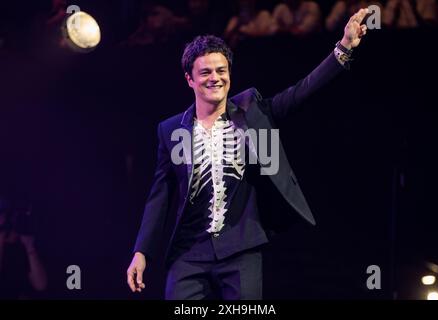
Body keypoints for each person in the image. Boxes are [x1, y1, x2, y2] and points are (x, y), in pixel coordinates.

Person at [127, 8, 370, 300]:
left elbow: (300, 92)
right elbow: (161, 195)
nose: (215, 78)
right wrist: (142, 251)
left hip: (241, 248)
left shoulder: (251, 111)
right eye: (205, 72)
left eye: (221, 71)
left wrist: (342, 49)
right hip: (188, 252)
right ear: (189, 79)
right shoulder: (170, 130)